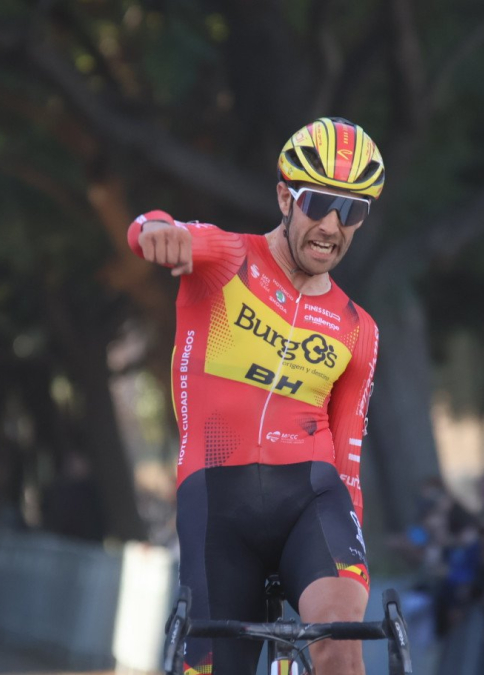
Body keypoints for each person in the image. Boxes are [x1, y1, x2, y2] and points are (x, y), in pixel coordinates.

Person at [129, 117, 384, 675]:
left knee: (340, 638)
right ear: (284, 197)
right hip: (218, 497)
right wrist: (155, 230)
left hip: (311, 499)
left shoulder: (357, 328)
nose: (333, 225)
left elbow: (349, 461)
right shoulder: (227, 259)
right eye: (319, 202)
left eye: (354, 210)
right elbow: (154, 223)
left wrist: (352, 556)